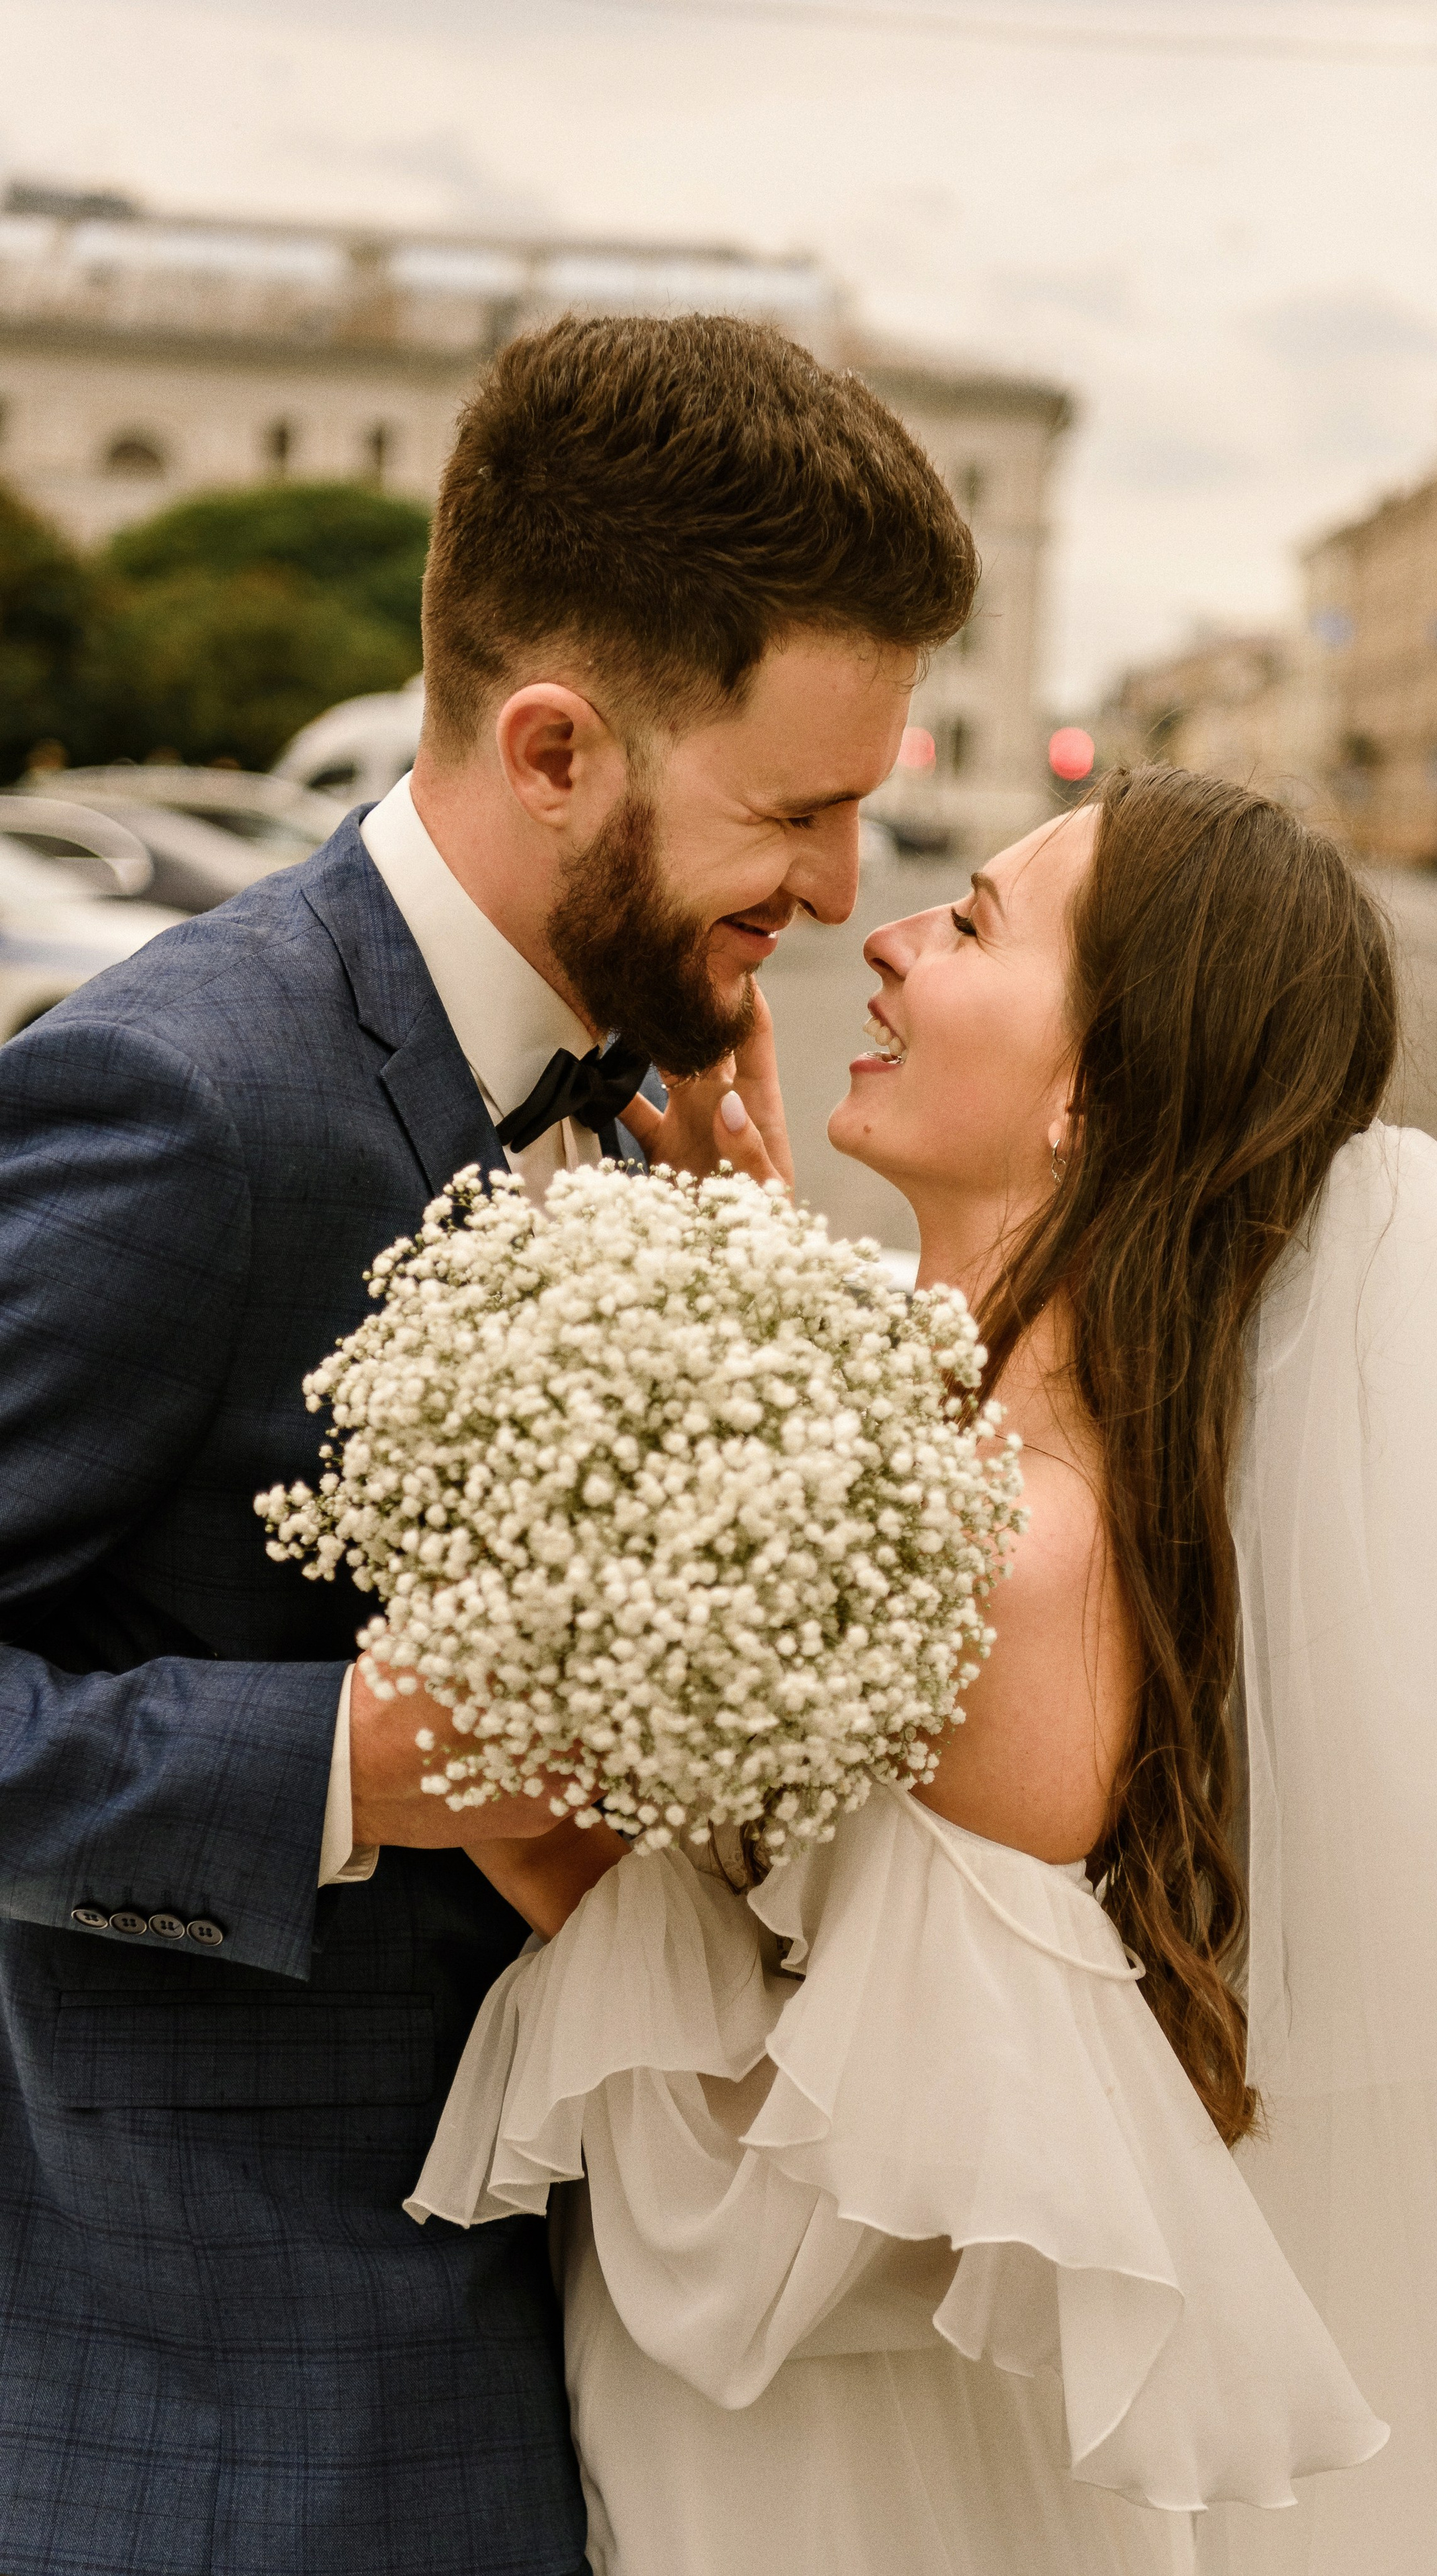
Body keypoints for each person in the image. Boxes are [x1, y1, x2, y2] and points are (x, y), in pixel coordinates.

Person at [417, 762, 1437, 2574]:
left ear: (1090, 1090)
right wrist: (728, 1291)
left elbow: (799, 2226)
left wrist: (483, 1744)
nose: (883, 930)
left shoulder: (1017, 1557)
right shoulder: (961, 1463)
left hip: (845, 2503)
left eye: (969, 924)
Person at [0, 311, 978, 2576]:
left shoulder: (650, 1082)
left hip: (611, 2369)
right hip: (246, 2421)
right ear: (556, 748)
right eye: (798, 811)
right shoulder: (182, 1100)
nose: (843, 890)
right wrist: (348, 1759)